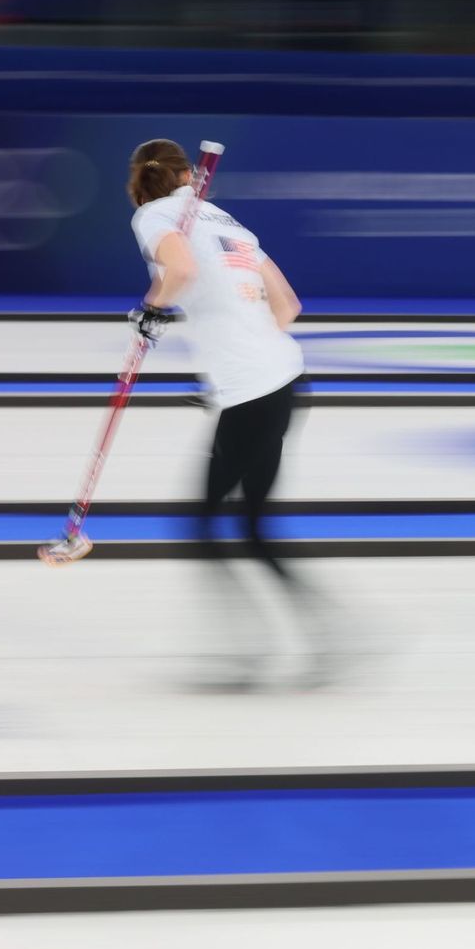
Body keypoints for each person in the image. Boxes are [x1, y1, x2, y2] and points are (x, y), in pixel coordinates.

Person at [126, 138, 322, 687]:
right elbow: (287, 306)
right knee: (255, 530)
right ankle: (331, 636)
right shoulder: (230, 222)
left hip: (251, 393)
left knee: (205, 526)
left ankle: (247, 656)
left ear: (140, 182)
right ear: (189, 175)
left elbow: (180, 270)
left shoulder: (153, 215)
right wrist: (239, 357)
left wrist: (151, 311)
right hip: (286, 378)